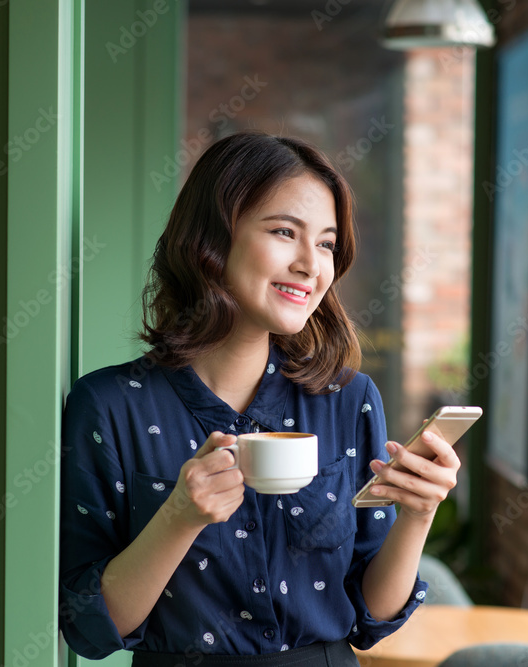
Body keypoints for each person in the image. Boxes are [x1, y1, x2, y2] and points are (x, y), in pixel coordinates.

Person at [58, 130, 461, 666]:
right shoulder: (109, 405)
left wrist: (418, 512)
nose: (311, 265)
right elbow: (92, 627)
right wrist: (179, 514)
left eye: (325, 243)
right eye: (283, 232)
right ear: (213, 239)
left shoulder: (348, 398)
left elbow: (371, 616)